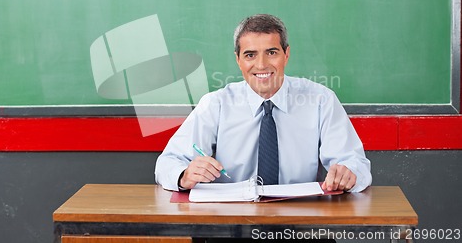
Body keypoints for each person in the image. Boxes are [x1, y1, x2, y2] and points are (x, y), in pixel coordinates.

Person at [155, 14, 372, 194]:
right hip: (232, 224)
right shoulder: (216, 104)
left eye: (272, 52)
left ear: (286, 55)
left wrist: (348, 173)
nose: (261, 64)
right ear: (238, 60)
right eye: (250, 55)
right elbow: (167, 163)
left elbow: (357, 164)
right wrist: (184, 175)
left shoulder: (320, 100)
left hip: (301, 222)